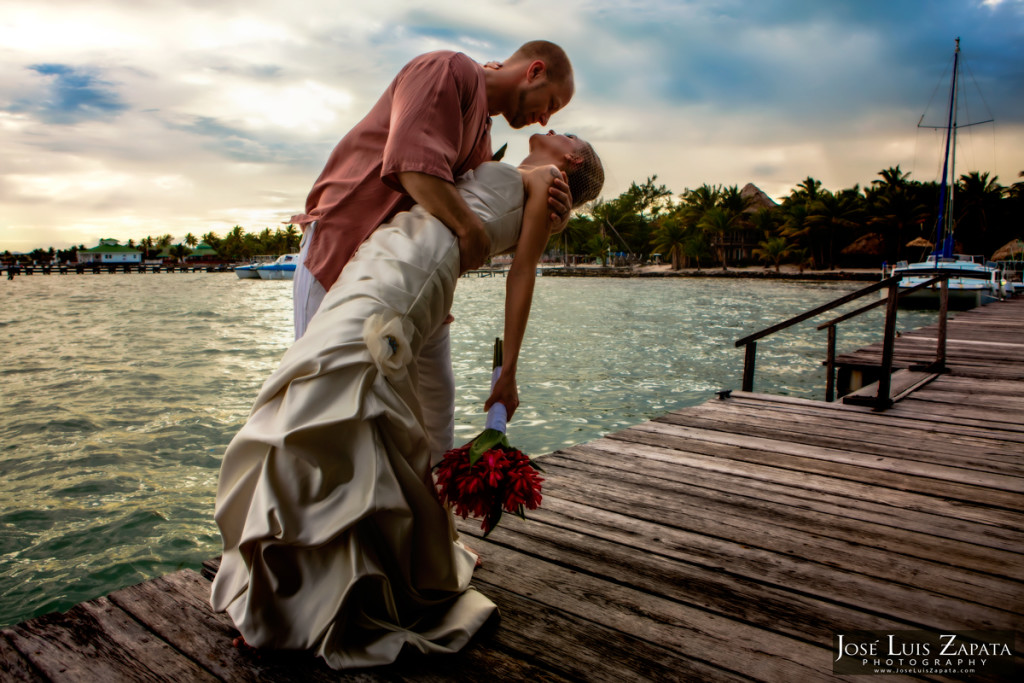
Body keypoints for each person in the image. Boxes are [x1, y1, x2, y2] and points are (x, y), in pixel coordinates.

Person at [210, 132, 603, 670]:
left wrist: (508, 371)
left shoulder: (547, 182)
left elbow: (522, 273)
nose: (552, 122)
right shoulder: (501, 165)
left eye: (565, 131)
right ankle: (312, 582)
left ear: (571, 158)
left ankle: (283, 605)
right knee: (322, 395)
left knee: (325, 397)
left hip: (412, 273)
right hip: (380, 255)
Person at [291, 40, 576, 341]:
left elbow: (480, 228)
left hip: (392, 271)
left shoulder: (483, 140)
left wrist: (550, 217)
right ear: (534, 71)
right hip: (340, 245)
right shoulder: (449, 68)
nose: (545, 120)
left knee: (422, 388)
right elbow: (412, 166)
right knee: (316, 377)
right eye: (551, 104)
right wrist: (469, 228)